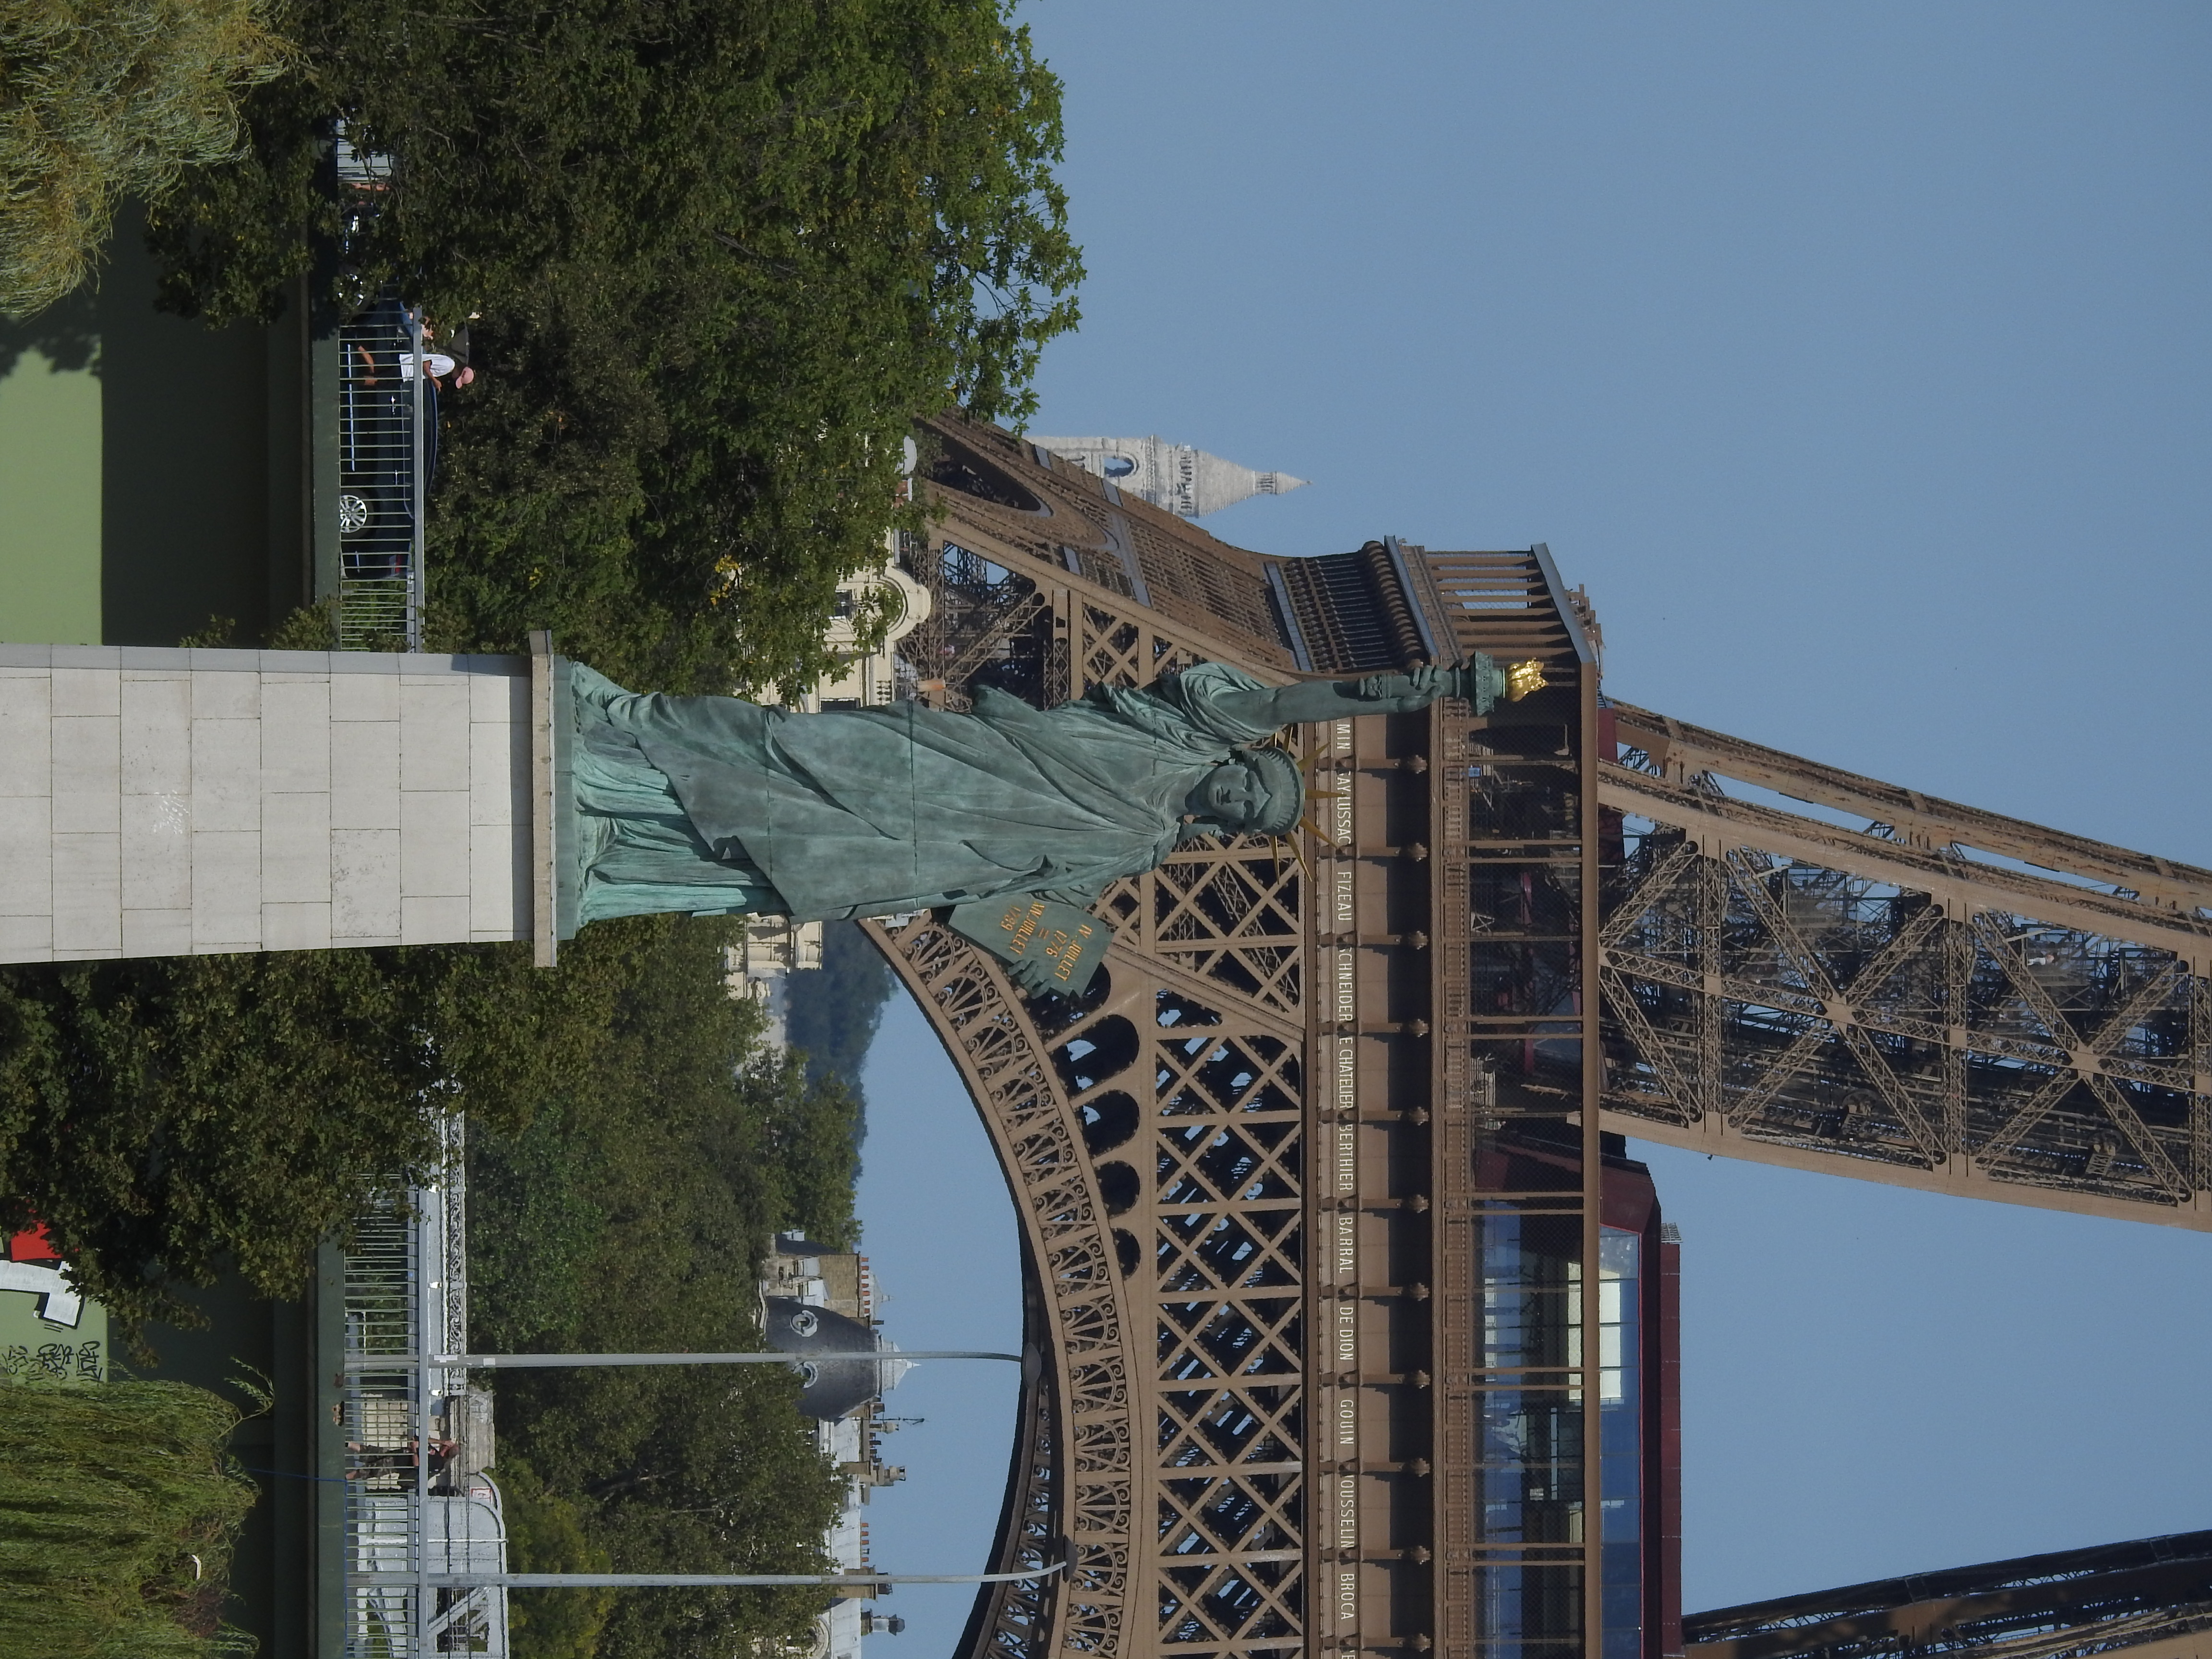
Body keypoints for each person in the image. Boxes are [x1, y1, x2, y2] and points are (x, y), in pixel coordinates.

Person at [567, 655, 1545, 984]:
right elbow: (1302, 704)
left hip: (918, 846)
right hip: (933, 762)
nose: (1244, 800)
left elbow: (1031, 908)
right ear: (1243, 757)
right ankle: (620, 732)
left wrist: (1055, 955)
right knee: (772, 742)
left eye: (1252, 817)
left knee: (770, 850)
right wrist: (1435, 688)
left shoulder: (1141, 844)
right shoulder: (1189, 725)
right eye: (1257, 783)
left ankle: (620, 828)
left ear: (1230, 835)